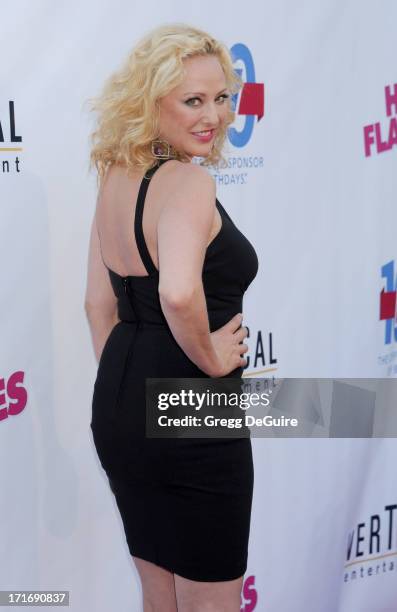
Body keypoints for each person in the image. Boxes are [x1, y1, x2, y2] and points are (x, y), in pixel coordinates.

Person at [84, 23, 259, 612]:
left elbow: (97, 306)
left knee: (160, 596)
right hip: (194, 406)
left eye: (221, 97)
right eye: (193, 100)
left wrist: (131, 396)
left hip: (119, 398)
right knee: (210, 603)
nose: (214, 115)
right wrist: (210, 359)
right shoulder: (188, 182)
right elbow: (180, 294)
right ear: (150, 102)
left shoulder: (114, 176)